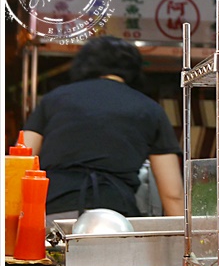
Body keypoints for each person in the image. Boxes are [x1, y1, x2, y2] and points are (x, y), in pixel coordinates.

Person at [22, 35, 185, 223]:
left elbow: (22, 160)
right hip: (115, 216)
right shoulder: (150, 109)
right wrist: (184, 239)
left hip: (52, 212)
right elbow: (173, 194)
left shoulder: (54, 99)